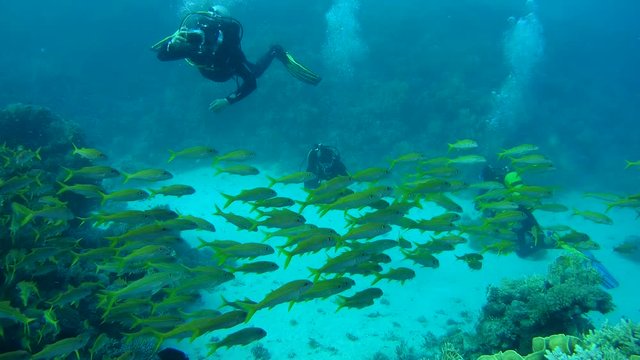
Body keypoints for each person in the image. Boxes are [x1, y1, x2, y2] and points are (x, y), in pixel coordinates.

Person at [152, 4, 321, 112]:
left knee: (255, 73)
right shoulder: (193, 45)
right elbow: (162, 56)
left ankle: (275, 51)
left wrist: (228, 100)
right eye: (205, 29)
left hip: (227, 69)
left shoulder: (229, 50)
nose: (207, 36)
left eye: (216, 32)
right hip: (210, 71)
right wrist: (172, 44)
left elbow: (251, 83)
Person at [480, 164, 548, 258]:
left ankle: (523, 251)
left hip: (508, 211)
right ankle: (542, 241)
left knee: (517, 229)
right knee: (530, 223)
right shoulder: (503, 177)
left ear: (485, 176)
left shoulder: (487, 185)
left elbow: (481, 205)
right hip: (520, 204)